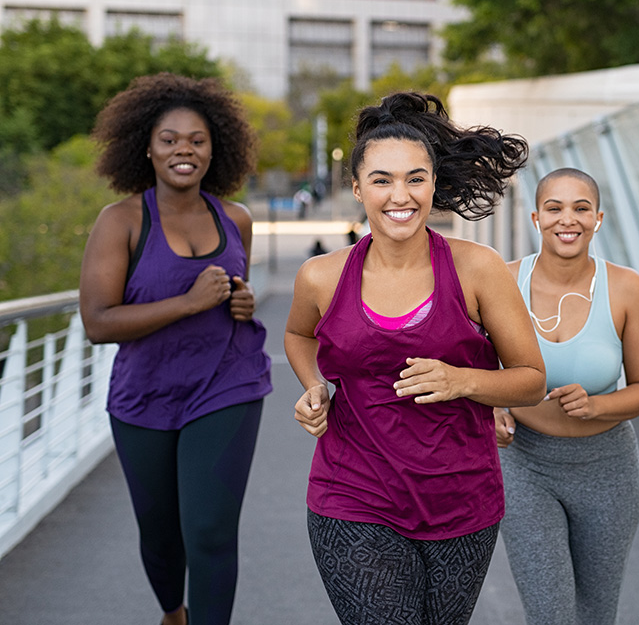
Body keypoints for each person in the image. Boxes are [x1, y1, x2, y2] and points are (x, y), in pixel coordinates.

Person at [285, 92, 546, 625]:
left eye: (415, 178)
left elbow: (531, 381)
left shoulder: (478, 268)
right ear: (357, 188)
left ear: (433, 185)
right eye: (381, 180)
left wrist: (461, 381)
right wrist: (315, 386)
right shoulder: (322, 276)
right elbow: (298, 334)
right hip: (353, 493)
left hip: (461, 500)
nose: (399, 195)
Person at [79, 73, 272, 625]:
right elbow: (97, 322)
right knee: (161, 536)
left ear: (216, 149)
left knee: (210, 530)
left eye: (197, 139)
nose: (183, 149)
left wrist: (242, 301)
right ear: (146, 146)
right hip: (146, 395)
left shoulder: (235, 218)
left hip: (227, 385)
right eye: (169, 139)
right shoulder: (120, 222)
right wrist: (188, 303)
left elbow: (234, 292)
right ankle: (173, 612)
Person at [494, 167, 639, 625]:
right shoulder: (503, 281)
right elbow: (478, 366)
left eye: (581, 208)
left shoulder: (626, 287)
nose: (568, 220)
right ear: (535, 218)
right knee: (550, 613)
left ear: (598, 218)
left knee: (595, 613)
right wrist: (495, 408)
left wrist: (597, 405)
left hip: (608, 468)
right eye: (554, 208)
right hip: (526, 466)